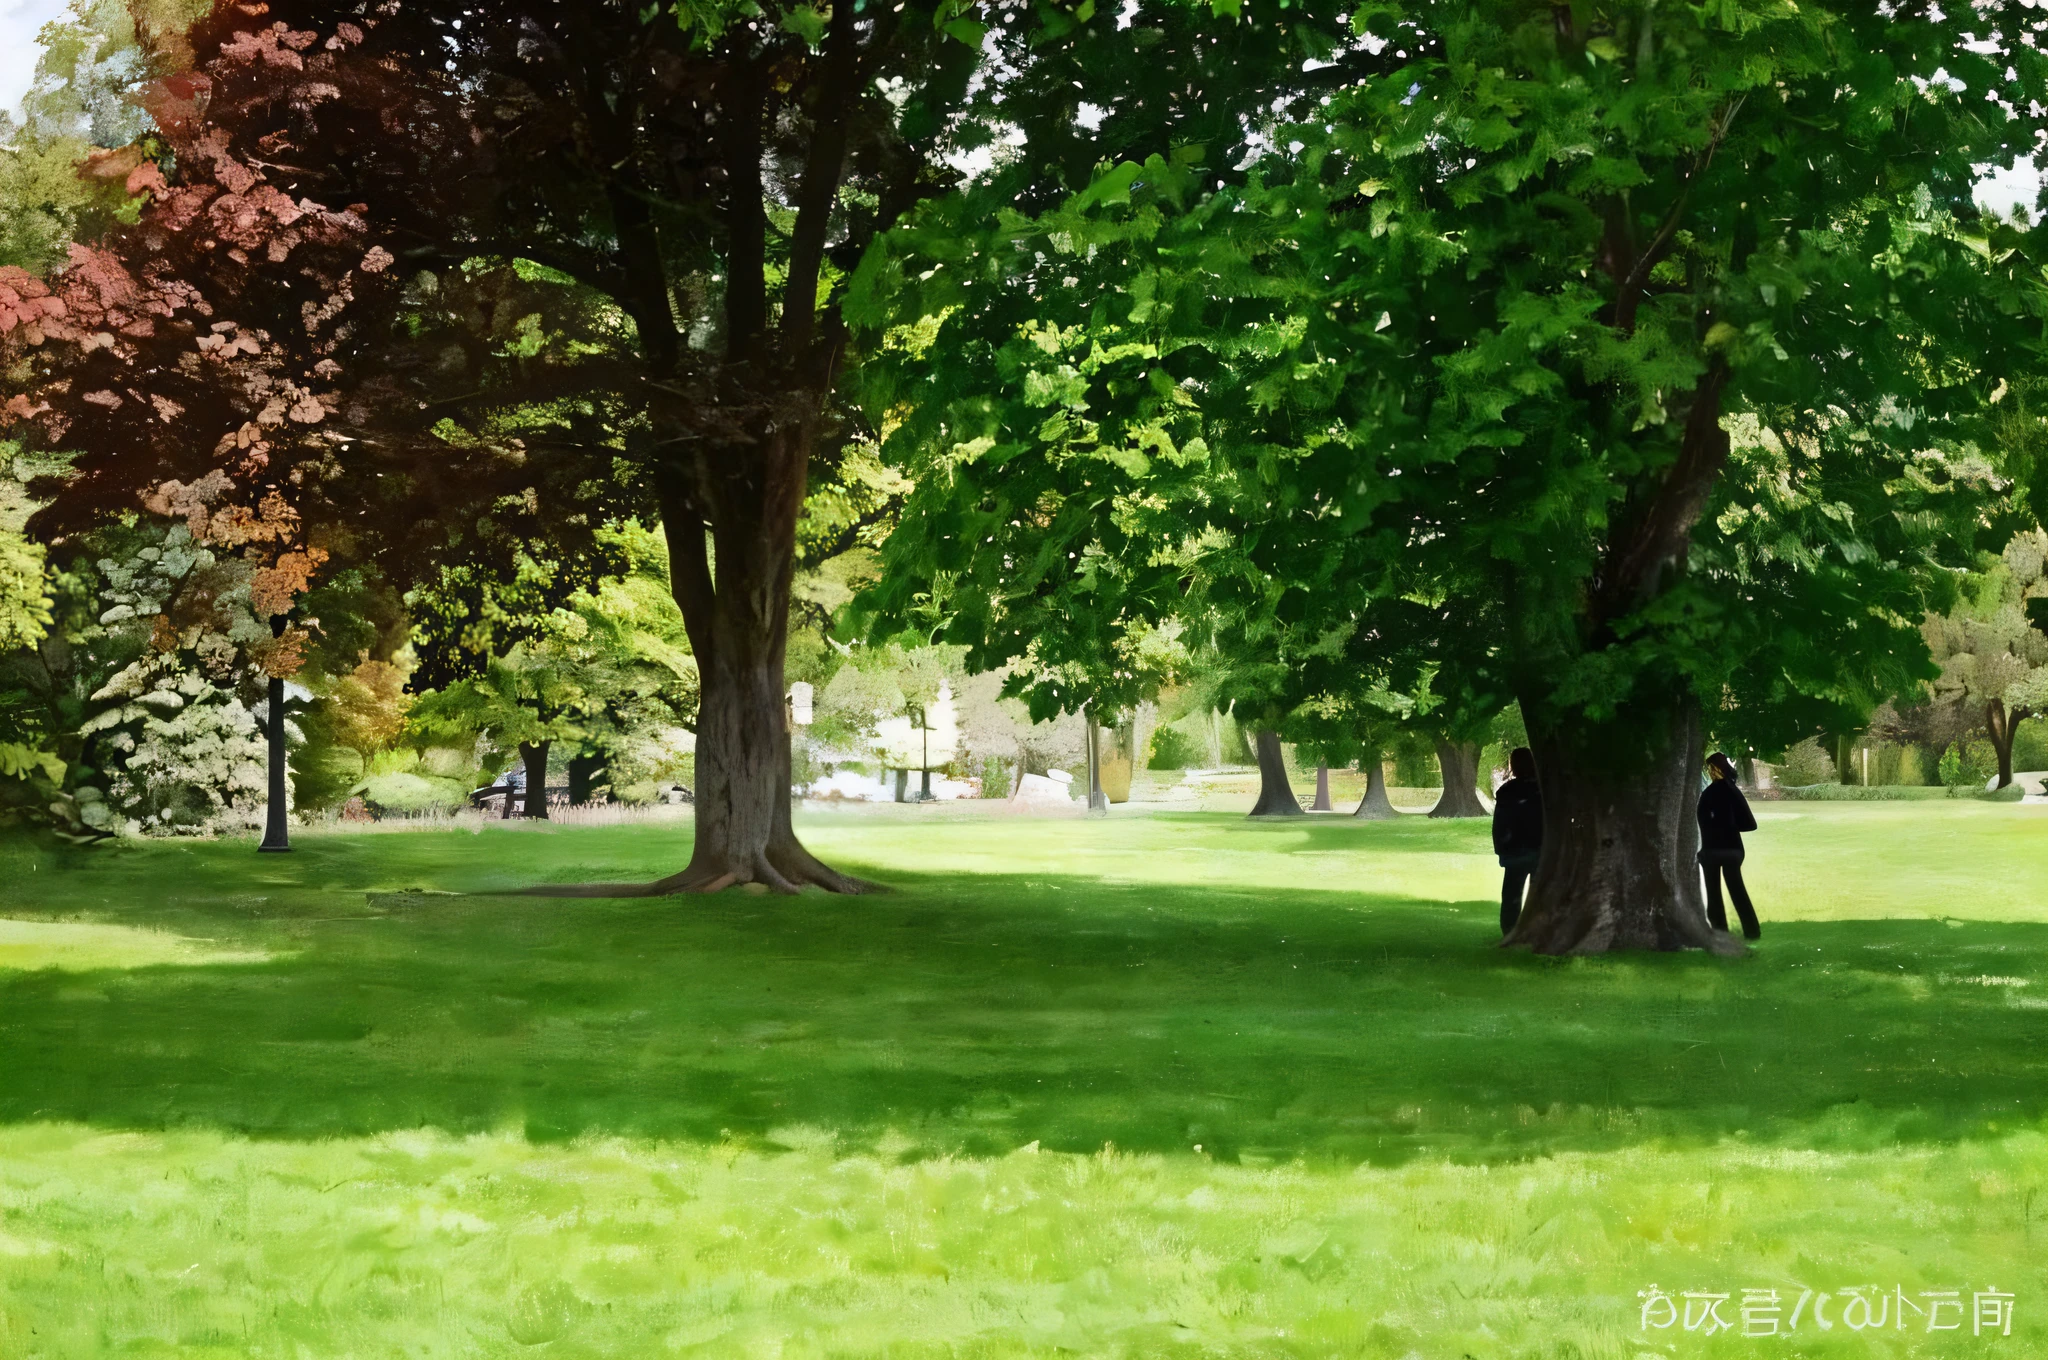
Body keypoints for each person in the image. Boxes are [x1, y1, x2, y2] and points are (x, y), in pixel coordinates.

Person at [1697, 751, 1761, 939]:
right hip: (1732, 849)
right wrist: (1731, 825)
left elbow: (1703, 823)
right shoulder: (1732, 791)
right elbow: (1750, 824)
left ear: (1712, 770)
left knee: (1713, 893)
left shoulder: (1707, 794)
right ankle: (1752, 931)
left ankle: (1719, 932)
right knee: (1737, 891)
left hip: (1711, 850)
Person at [1491, 747, 1542, 935]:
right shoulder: (1543, 790)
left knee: (1512, 895)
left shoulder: (1507, 791)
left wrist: (1502, 849)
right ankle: (1535, 931)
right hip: (1539, 849)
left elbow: (1500, 824)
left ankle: (1510, 932)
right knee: (1538, 895)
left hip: (1515, 851)